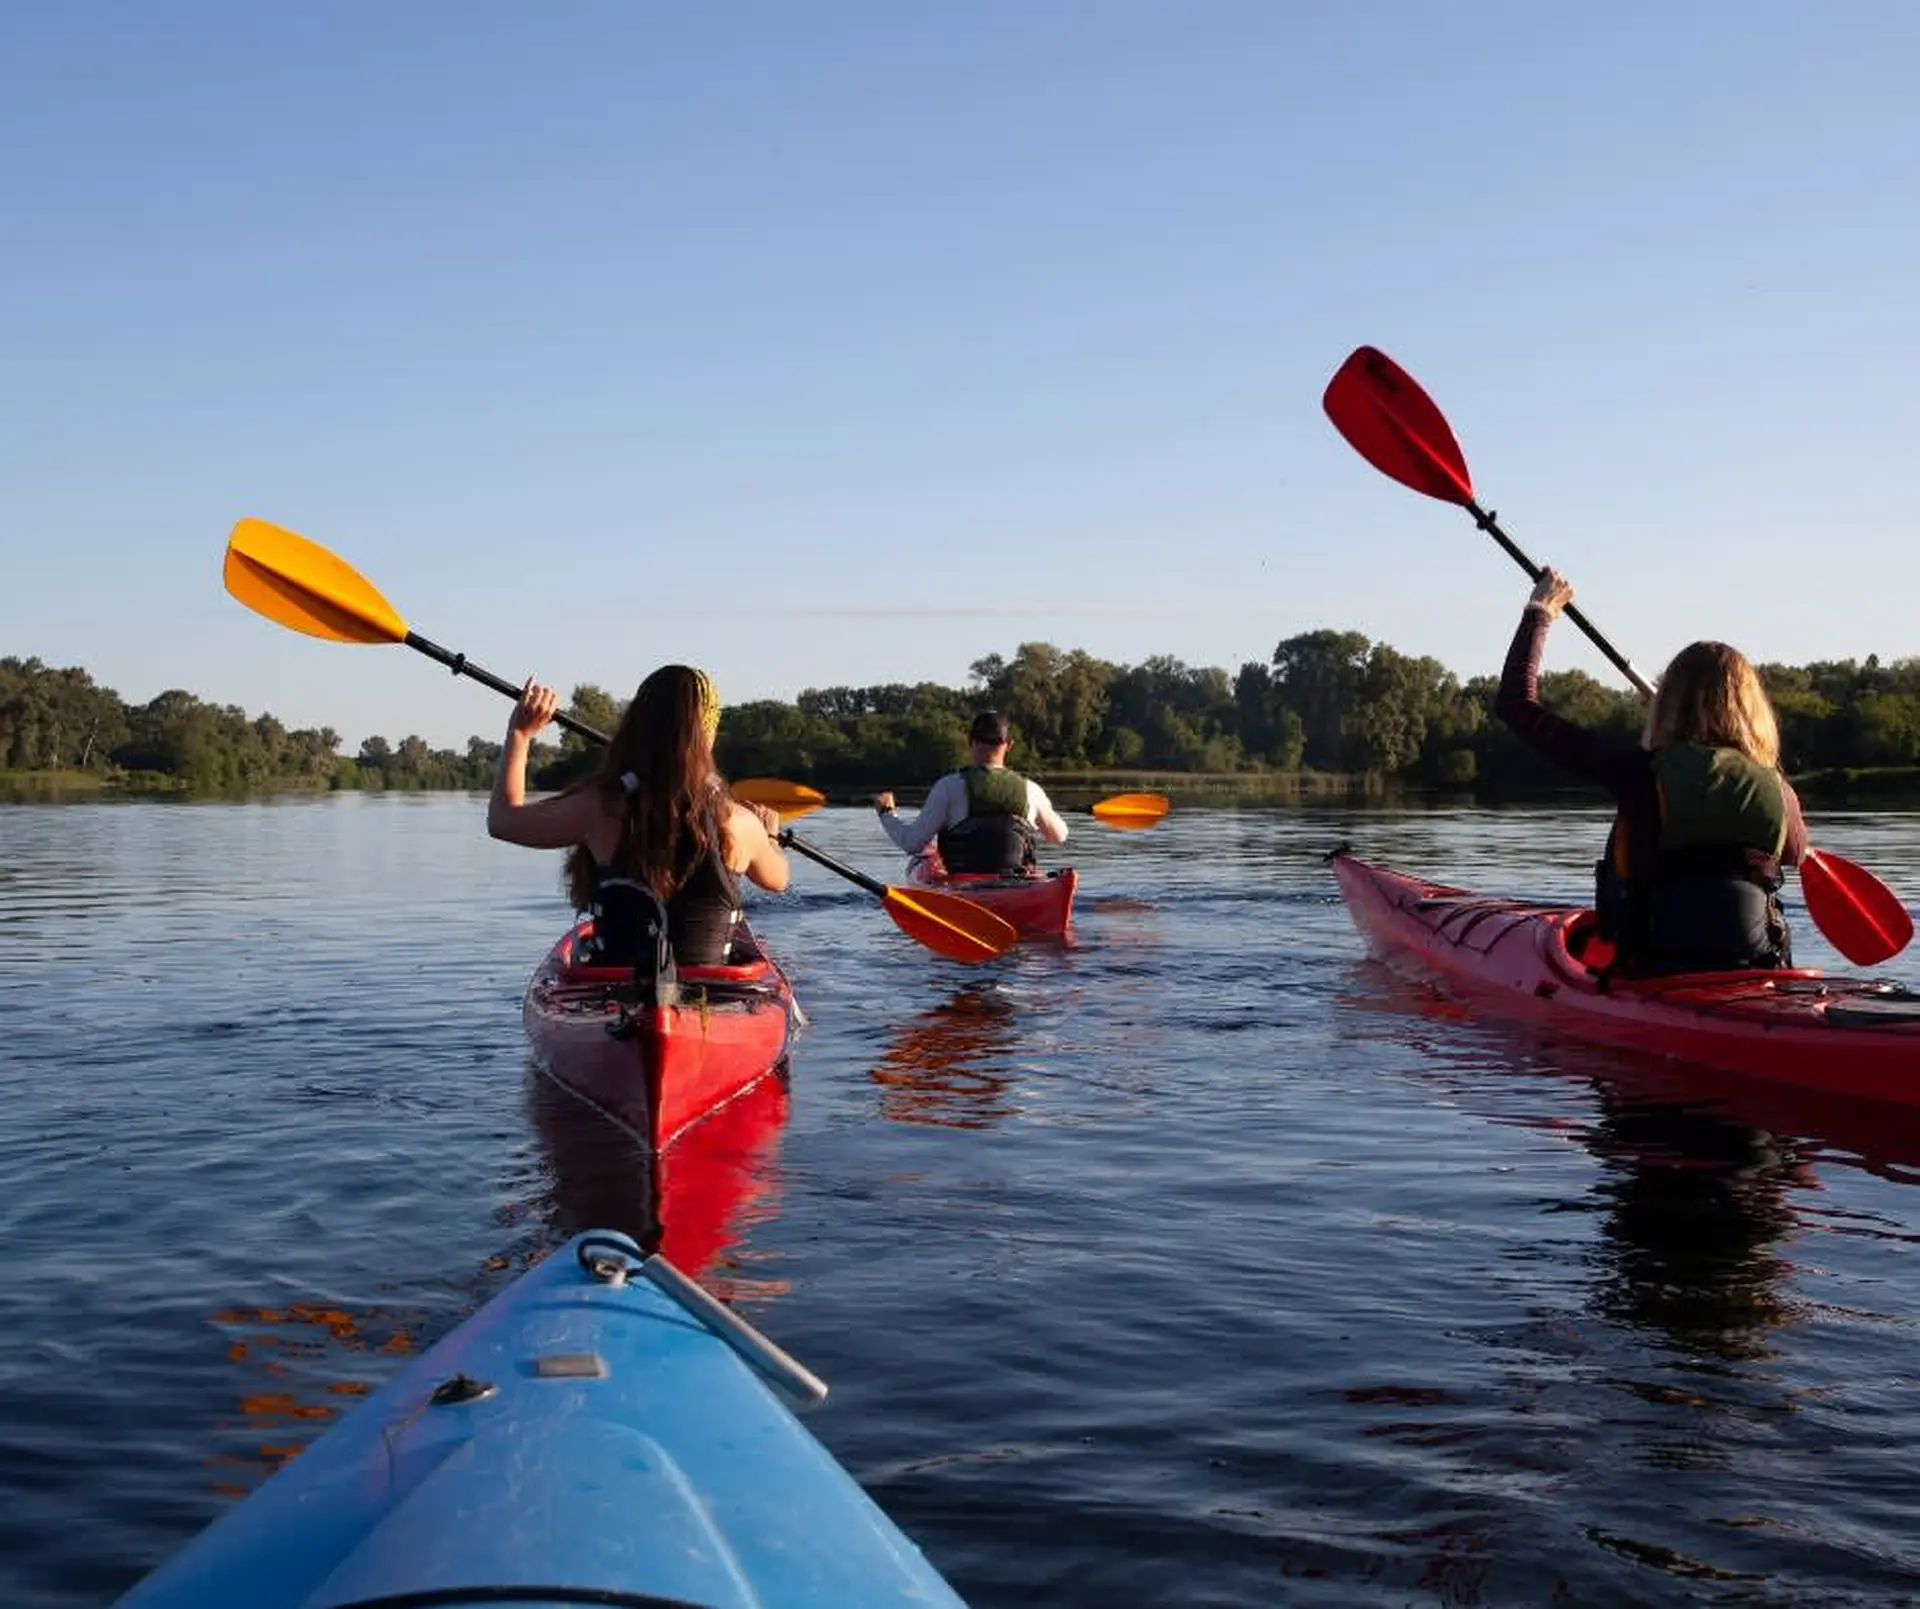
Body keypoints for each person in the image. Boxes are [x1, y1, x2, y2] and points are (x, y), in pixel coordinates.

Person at [1494, 568, 1807, 977]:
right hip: (1758, 973)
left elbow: (1515, 704)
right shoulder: (1778, 791)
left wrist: (1540, 611)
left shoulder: (1637, 773)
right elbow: (1796, 854)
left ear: (1669, 704)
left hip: (1654, 975)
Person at [486, 665, 788, 968]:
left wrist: (520, 734)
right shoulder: (739, 822)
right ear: (708, 736)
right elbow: (778, 880)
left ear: (636, 725)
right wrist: (769, 836)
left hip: (614, 994)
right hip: (714, 997)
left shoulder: (599, 808)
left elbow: (503, 821)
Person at [872, 710, 1069, 878]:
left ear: (971, 741)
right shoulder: (1031, 790)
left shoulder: (949, 787)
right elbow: (1059, 837)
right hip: (1016, 886)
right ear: (1009, 745)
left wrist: (886, 812)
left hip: (962, 889)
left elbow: (912, 843)